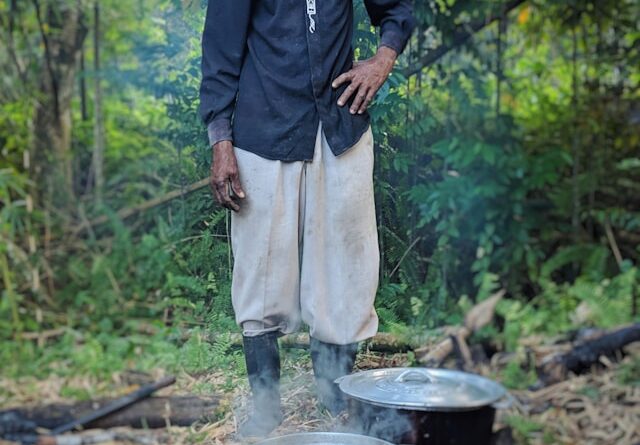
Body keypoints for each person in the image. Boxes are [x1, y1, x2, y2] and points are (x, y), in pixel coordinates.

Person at [199, 0, 415, 437]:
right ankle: (265, 408)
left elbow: (396, 9)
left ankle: (335, 404)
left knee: (346, 270)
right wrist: (221, 141)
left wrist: (382, 60)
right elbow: (220, 52)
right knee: (260, 274)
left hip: (340, 127)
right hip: (264, 130)